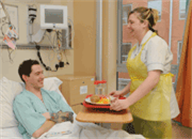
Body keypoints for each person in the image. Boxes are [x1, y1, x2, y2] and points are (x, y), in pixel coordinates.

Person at [110, 7, 173, 139]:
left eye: (131, 22)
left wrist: (126, 102)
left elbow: (153, 79)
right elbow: (138, 77)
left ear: (144, 23)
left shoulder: (155, 44)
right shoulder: (136, 47)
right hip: (137, 103)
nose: (128, 26)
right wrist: (123, 92)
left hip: (154, 107)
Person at [13, 59, 74, 139]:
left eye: (42, 73)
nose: (42, 77)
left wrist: (48, 116)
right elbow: (36, 132)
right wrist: (58, 116)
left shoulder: (53, 95)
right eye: (37, 74)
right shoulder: (21, 101)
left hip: (67, 132)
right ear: (25, 77)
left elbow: (70, 116)